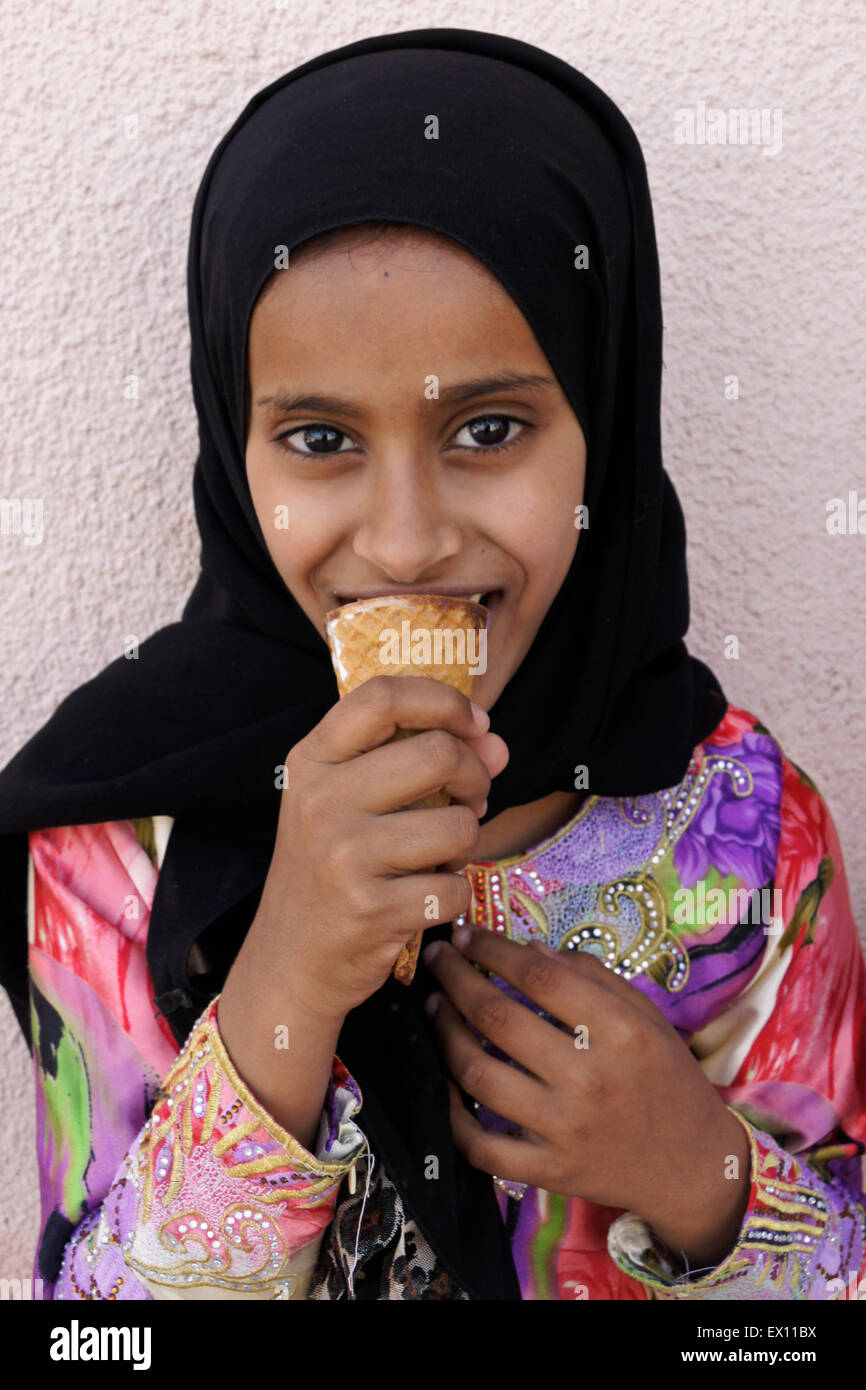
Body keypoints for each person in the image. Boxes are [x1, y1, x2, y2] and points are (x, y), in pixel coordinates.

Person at [1, 27, 864, 1303]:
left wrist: (697, 1174)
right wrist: (280, 985)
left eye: (490, 426)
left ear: (604, 424)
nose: (405, 541)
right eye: (315, 436)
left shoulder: (748, 837)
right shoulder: (118, 850)